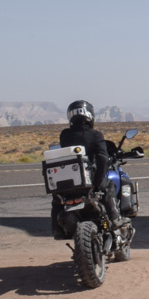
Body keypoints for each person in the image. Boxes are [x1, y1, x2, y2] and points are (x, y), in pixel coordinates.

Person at [52, 99, 123, 238]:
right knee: (108, 186)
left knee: (57, 199)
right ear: (90, 115)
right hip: (88, 181)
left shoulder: (65, 135)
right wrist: (97, 182)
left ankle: (57, 230)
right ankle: (114, 219)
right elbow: (102, 158)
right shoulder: (95, 135)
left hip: (68, 184)